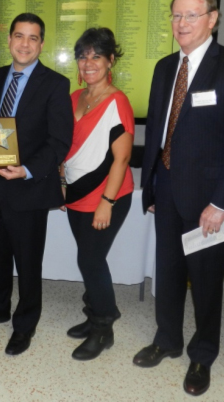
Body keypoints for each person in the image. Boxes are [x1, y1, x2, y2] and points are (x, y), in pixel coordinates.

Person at [136, 0, 224, 396]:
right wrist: (151, 186)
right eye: (176, 16)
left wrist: (222, 204)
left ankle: (202, 354)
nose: (181, 23)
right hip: (168, 190)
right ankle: (167, 339)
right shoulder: (163, 67)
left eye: (191, 15)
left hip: (209, 201)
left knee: (207, 282)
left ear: (213, 18)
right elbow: (157, 131)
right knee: (168, 273)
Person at [0, 13, 73, 355]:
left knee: (28, 262)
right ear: (9, 40)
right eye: (19, 36)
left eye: (33, 38)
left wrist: (27, 170)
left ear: (42, 44)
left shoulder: (56, 84)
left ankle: (25, 323)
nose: (25, 44)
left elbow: (59, 141)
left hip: (29, 187)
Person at [60, 28, 134, 361]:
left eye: (96, 56)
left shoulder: (118, 102)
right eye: (83, 56)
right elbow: (68, 145)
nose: (89, 63)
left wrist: (107, 203)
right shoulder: (75, 97)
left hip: (107, 195)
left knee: (90, 260)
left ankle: (104, 327)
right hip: (76, 194)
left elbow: (122, 158)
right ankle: (95, 315)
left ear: (110, 61)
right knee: (87, 258)